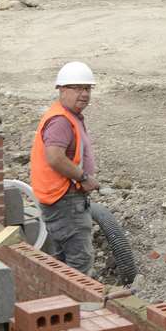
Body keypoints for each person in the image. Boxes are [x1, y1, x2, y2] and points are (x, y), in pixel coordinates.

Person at [30, 61, 101, 274]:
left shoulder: (67, 116)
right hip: (65, 200)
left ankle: (61, 303)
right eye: (77, 88)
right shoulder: (61, 120)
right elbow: (54, 157)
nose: (84, 94)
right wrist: (83, 177)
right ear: (62, 90)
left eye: (87, 88)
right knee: (79, 262)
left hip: (61, 199)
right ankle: (78, 305)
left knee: (62, 261)